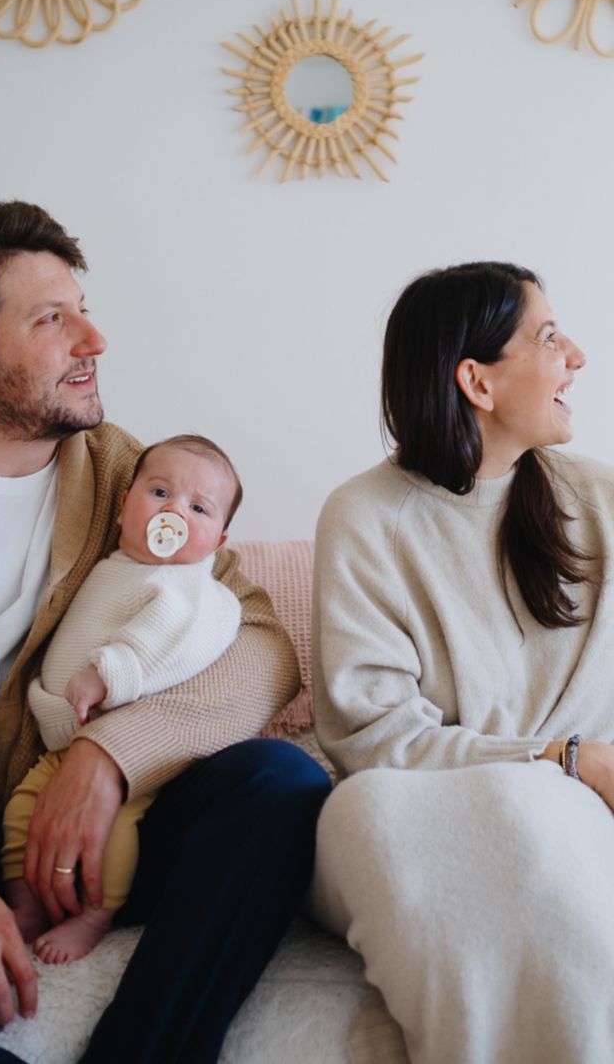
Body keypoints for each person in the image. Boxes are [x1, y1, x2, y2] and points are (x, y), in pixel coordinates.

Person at [0, 200, 331, 1064]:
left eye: (81, 306)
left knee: (277, 782)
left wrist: (112, 755)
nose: (95, 338)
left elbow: (265, 641)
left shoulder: (134, 474)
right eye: (53, 319)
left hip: (103, 825)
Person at [310, 261, 614, 1064]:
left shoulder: (599, 497)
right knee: (370, 809)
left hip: (584, 810)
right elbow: (373, 741)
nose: (576, 354)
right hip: (429, 801)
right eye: (549, 337)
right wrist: (565, 761)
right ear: (476, 380)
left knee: (537, 820)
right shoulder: (366, 516)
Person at [3, 434, 244, 964]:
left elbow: (168, 636)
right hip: (61, 745)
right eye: (159, 493)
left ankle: (96, 914)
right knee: (22, 813)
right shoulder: (111, 565)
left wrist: (109, 673)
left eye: (197, 508)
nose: (173, 512)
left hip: (131, 751)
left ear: (218, 541)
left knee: (115, 833)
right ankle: (25, 901)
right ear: (122, 509)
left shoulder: (188, 587)